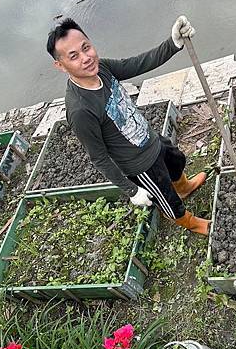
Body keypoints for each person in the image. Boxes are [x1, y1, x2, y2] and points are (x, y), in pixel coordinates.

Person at [46, 16, 210, 235]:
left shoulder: (101, 68)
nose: (85, 58)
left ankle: (184, 187)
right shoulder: (80, 109)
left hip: (149, 138)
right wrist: (132, 190)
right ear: (60, 65)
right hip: (140, 166)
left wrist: (172, 44)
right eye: (74, 56)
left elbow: (136, 64)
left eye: (86, 48)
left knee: (177, 160)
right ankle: (190, 222)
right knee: (167, 200)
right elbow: (99, 158)